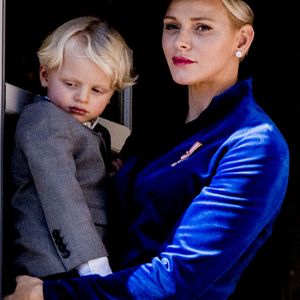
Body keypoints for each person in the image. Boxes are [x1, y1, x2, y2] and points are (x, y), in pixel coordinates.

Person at [5, 0, 290, 299]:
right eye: (172, 26)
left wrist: (50, 295)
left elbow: (178, 278)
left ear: (242, 39)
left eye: (202, 27)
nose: (180, 41)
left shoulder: (254, 144)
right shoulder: (157, 134)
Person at [7, 15, 136, 290]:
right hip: (54, 264)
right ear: (45, 75)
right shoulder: (44, 120)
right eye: (71, 84)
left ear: (112, 95)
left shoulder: (93, 133)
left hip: (79, 265)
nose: (82, 98)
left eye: (97, 90)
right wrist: (95, 266)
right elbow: (61, 193)